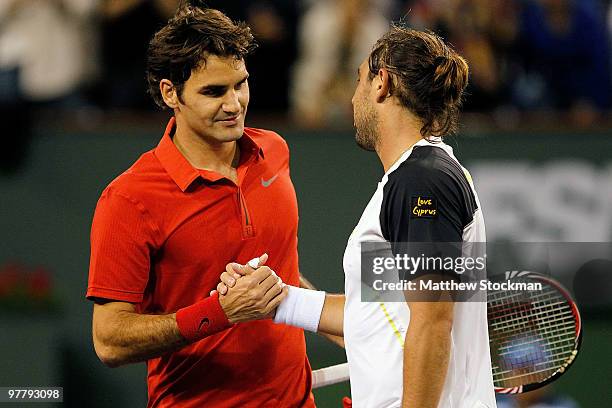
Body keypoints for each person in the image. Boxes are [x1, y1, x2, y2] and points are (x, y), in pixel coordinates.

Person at [219, 26, 497, 408]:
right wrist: (278, 299)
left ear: (382, 83)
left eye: (359, 81)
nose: (353, 99)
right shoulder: (417, 176)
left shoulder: (421, 179)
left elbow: (433, 322)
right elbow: (378, 314)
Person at [86, 3, 316, 407]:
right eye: (213, 92)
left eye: (240, 84)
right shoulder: (128, 198)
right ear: (170, 93)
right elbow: (109, 340)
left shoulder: (274, 150)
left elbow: (284, 276)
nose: (234, 104)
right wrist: (220, 311)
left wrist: (351, 328)